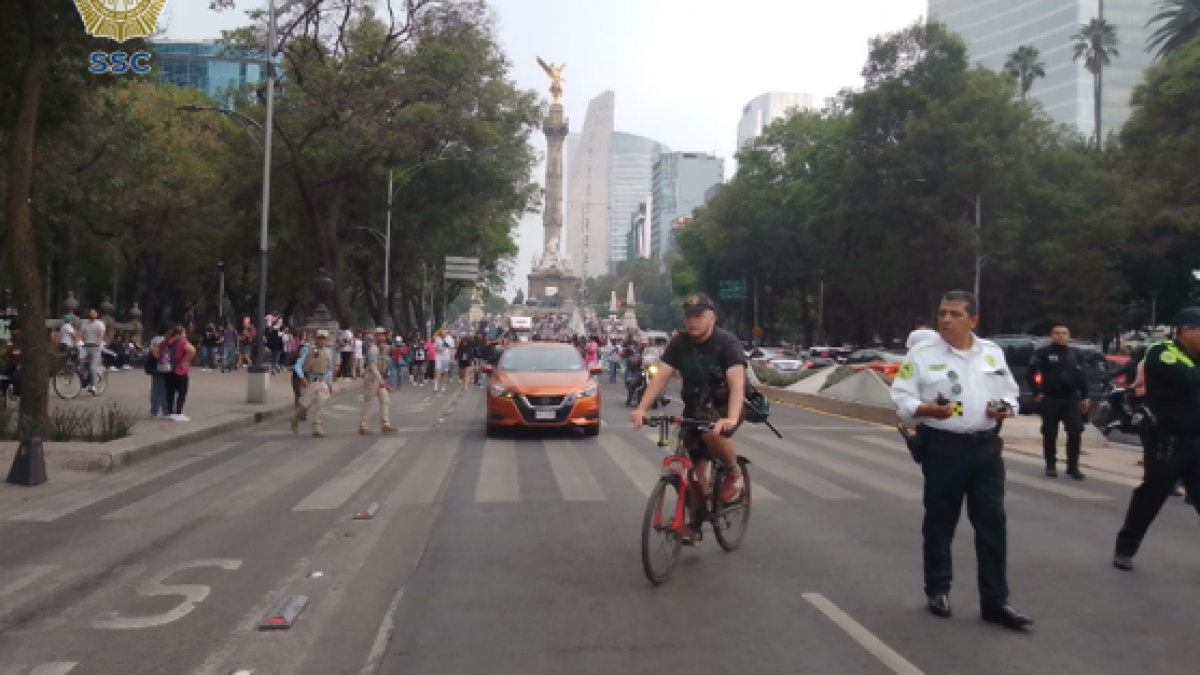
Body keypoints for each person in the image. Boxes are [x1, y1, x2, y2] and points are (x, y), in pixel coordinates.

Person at [890, 290, 1032, 630]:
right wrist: (925, 410)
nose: (946, 320)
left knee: (992, 524)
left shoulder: (992, 353)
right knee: (940, 523)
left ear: (973, 320)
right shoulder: (922, 355)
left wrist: (1006, 409)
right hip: (943, 448)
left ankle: (996, 601)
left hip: (986, 449)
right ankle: (938, 589)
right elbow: (901, 397)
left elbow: (1012, 393)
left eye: (955, 314)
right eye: (942, 314)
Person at [631, 293, 746, 546]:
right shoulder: (679, 344)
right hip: (695, 408)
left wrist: (731, 418)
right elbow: (661, 377)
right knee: (692, 472)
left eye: (699, 316)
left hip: (725, 406)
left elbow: (738, 385)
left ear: (712, 318)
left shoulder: (727, 343)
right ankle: (695, 523)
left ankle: (733, 472)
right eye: (689, 317)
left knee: (711, 432)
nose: (692, 322)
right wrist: (641, 408)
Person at [1113, 308, 1200, 571]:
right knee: (1152, 495)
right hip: (1168, 438)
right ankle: (1125, 548)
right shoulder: (1162, 351)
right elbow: (1187, 379)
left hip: (1197, 439)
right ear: (1187, 330)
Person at [1027, 325, 1089, 479]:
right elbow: (1031, 373)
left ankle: (1073, 466)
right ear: (1051, 335)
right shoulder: (1043, 353)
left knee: (1075, 430)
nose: (1061, 336)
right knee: (1049, 432)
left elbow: (1082, 376)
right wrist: (1037, 392)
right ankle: (1051, 465)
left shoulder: (1075, 353)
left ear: (1069, 336)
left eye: (1064, 333)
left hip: (1070, 398)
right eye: (1057, 333)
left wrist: (1085, 396)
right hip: (1050, 397)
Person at [292, 330, 335, 437]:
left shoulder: (327, 351)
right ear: (315, 339)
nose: (322, 340)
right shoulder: (307, 349)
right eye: (320, 338)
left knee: (321, 403)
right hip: (309, 381)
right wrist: (302, 377)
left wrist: (329, 384)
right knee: (304, 406)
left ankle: (317, 427)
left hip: (321, 381)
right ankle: (295, 419)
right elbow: (298, 365)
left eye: (324, 338)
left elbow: (329, 369)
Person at [359, 328, 398, 435]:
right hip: (371, 378)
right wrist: (380, 379)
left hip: (380, 378)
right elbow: (372, 366)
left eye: (383, 335)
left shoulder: (384, 349)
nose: (382, 338)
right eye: (379, 335)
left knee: (385, 399)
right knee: (369, 402)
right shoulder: (373, 349)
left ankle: (385, 424)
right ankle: (363, 425)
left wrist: (384, 378)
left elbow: (385, 364)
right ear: (375, 336)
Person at [154, 325, 196, 422]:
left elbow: (154, 351)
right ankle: (178, 413)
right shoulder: (182, 342)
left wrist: (161, 359)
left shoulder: (165, 343)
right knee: (181, 393)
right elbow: (192, 350)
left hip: (167, 370)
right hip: (180, 371)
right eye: (184, 333)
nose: (185, 335)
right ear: (179, 334)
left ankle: (169, 412)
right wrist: (185, 360)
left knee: (169, 392)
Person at [80, 308, 106, 393]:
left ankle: (94, 386)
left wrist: (98, 342)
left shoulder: (99, 324)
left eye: (93, 314)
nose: (92, 315)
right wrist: (81, 341)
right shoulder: (85, 324)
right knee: (80, 361)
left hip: (96, 347)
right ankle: (85, 379)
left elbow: (101, 334)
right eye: (90, 314)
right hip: (86, 346)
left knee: (92, 367)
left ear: (96, 315)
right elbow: (82, 334)